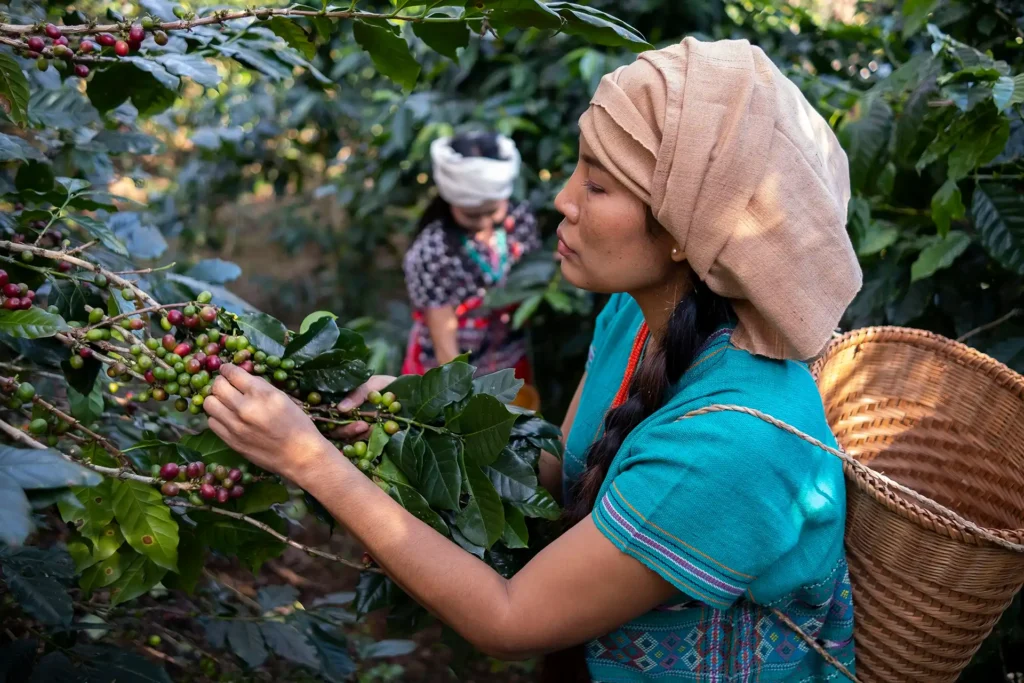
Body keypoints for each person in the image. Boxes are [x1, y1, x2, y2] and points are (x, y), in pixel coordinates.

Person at [204, 37, 862, 682]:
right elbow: (554, 472)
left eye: (598, 186)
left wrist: (309, 462)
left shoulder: (732, 446)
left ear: (686, 233)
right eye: (579, 166)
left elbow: (510, 618)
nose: (562, 199)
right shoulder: (636, 316)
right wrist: (415, 418)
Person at [401, 131, 541, 383]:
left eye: (492, 212)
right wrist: (461, 396)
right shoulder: (433, 251)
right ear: (450, 201)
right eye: (472, 215)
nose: (485, 223)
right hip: (453, 369)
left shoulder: (520, 219)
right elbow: (446, 348)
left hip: (507, 358)